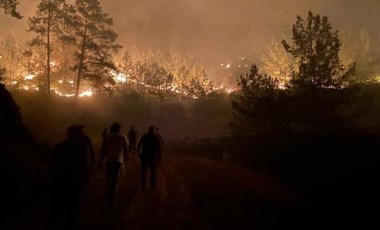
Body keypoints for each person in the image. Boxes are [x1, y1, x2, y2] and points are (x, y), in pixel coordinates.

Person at [50, 124, 95, 230]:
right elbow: (83, 164)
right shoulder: (79, 148)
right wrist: (87, 177)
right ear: (79, 133)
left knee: (61, 204)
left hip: (62, 180)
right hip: (76, 180)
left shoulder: (60, 146)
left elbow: (54, 165)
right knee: (74, 206)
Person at [98, 122, 129, 204]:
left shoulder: (107, 137)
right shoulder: (122, 137)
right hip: (118, 160)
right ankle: (112, 197)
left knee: (109, 177)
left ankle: (108, 195)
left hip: (109, 159)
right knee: (115, 179)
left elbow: (103, 150)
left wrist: (100, 160)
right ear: (118, 129)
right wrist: (125, 160)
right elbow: (126, 150)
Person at [137, 126, 161, 191]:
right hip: (153, 156)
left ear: (148, 130)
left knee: (143, 171)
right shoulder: (156, 137)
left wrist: (138, 153)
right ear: (153, 130)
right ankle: (152, 186)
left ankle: (143, 186)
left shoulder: (144, 136)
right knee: (153, 171)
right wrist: (159, 157)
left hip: (144, 155)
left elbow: (139, 145)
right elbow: (159, 148)